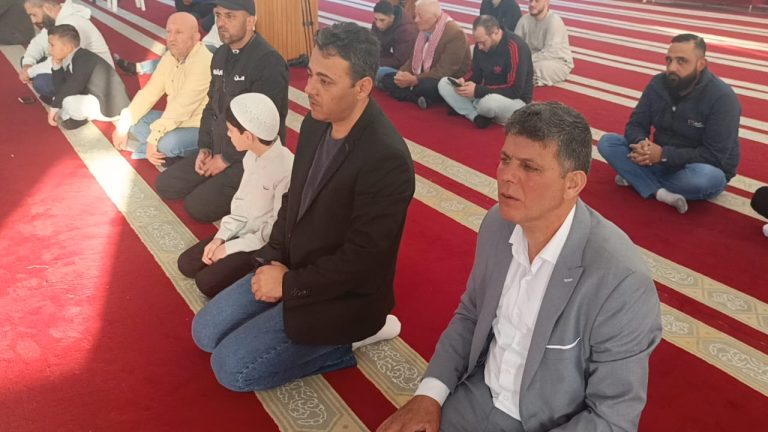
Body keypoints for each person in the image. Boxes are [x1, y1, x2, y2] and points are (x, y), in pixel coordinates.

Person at [378, 102, 661, 432]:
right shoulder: (497, 225)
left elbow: (612, 418)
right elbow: (470, 315)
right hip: (476, 398)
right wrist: (428, 396)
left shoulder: (621, 281)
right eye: (505, 160)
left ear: (573, 183)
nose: (506, 176)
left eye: (529, 167)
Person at [190, 22, 415, 392]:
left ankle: (351, 340)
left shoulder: (386, 159)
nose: (308, 89)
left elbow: (362, 261)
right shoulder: (316, 123)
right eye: (310, 74)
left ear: (362, 87)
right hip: (295, 266)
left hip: (341, 295)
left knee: (230, 370)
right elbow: (293, 200)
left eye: (325, 81)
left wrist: (288, 285)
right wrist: (271, 260)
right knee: (204, 332)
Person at [155, 0, 289, 223]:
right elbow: (211, 107)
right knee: (166, 185)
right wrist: (205, 147)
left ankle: (253, 190)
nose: (221, 23)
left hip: (250, 156)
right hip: (219, 146)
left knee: (197, 207)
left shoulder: (269, 62)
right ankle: (218, 180)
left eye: (230, 16)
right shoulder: (220, 55)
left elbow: (263, 126)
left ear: (251, 21)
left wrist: (225, 159)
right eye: (218, 15)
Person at [597, 34, 741, 214]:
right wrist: (641, 143)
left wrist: (663, 155)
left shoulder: (722, 98)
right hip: (657, 159)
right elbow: (636, 123)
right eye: (669, 60)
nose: (672, 67)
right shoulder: (658, 84)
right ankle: (661, 193)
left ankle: (638, 179)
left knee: (706, 178)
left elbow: (714, 156)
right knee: (608, 142)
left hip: (696, 166)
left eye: (681, 61)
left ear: (701, 64)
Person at [178, 93, 293, 297]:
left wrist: (231, 248)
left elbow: (274, 232)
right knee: (187, 264)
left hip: (262, 243)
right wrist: (221, 238)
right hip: (243, 231)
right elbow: (240, 206)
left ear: (248, 136)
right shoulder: (251, 156)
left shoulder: (286, 170)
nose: (228, 135)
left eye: (231, 130)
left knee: (206, 283)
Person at [111, 13, 212, 166]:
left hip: (199, 126)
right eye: (168, 31)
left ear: (196, 37)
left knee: (167, 143)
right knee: (134, 120)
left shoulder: (204, 62)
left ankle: (165, 152)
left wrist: (154, 138)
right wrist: (122, 127)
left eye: (179, 32)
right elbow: (149, 93)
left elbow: (182, 106)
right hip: (173, 121)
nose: (171, 38)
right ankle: (166, 155)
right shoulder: (169, 57)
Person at [437, 15, 532, 129]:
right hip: (484, 93)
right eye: (478, 42)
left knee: (487, 104)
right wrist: (463, 81)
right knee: (444, 83)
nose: (480, 47)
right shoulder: (479, 46)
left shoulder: (516, 47)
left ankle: (469, 108)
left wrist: (478, 91)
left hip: (514, 101)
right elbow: (476, 75)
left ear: (495, 33)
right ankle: (475, 116)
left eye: (483, 42)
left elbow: (514, 90)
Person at [380, 0, 470, 109]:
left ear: (435, 18)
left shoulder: (455, 34)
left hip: (440, 79)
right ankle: (417, 99)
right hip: (421, 75)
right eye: (415, 15)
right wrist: (402, 73)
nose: (416, 20)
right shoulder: (423, 29)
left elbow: (444, 71)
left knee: (426, 87)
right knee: (388, 78)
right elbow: (412, 59)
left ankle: (413, 93)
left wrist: (414, 79)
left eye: (420, 16)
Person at [20, 0, 113, 101]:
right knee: (27, 61)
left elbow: (61, 60)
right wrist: (27, 65)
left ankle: (72, 101)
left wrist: (30, 72)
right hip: (77, 69)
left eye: (34, 14)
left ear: (47, 8)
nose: (33, 21)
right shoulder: (56, 20)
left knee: (42, 82)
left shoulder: (71, 23)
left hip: (98, 81)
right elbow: (38, 44)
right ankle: (63, 97)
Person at [46, 24, 129, 130]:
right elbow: (62, 88)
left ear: (68, 48)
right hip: (99, 99)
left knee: (67, 101)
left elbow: (73, 86)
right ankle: (80, 115)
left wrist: (54, 107)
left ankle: (78, 119)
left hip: (111, 108)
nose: (49, 50)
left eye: (52, 45)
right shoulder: (77, 57)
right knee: (61, 99)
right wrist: (57, 66)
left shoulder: (84, 59)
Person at [514, 0, 572, 87]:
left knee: (538, 67)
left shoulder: (554, 21)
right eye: (530, 1)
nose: (532, 4)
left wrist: (524, 61)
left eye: (537, 1)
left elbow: (550, 53)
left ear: (547, 2)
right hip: (530, 60)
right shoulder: (524, 20)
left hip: (555, 62)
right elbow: (515, 44)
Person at [371, 0, 418, 87]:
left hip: (407, 68)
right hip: (392, 60)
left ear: (392, 18)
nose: (378, 24)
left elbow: (399, 61)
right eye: (376, 19)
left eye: (382, 20)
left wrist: (373, 63)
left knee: (377, 72)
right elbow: (373, 45)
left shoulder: (407, 30)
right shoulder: (380, 22)